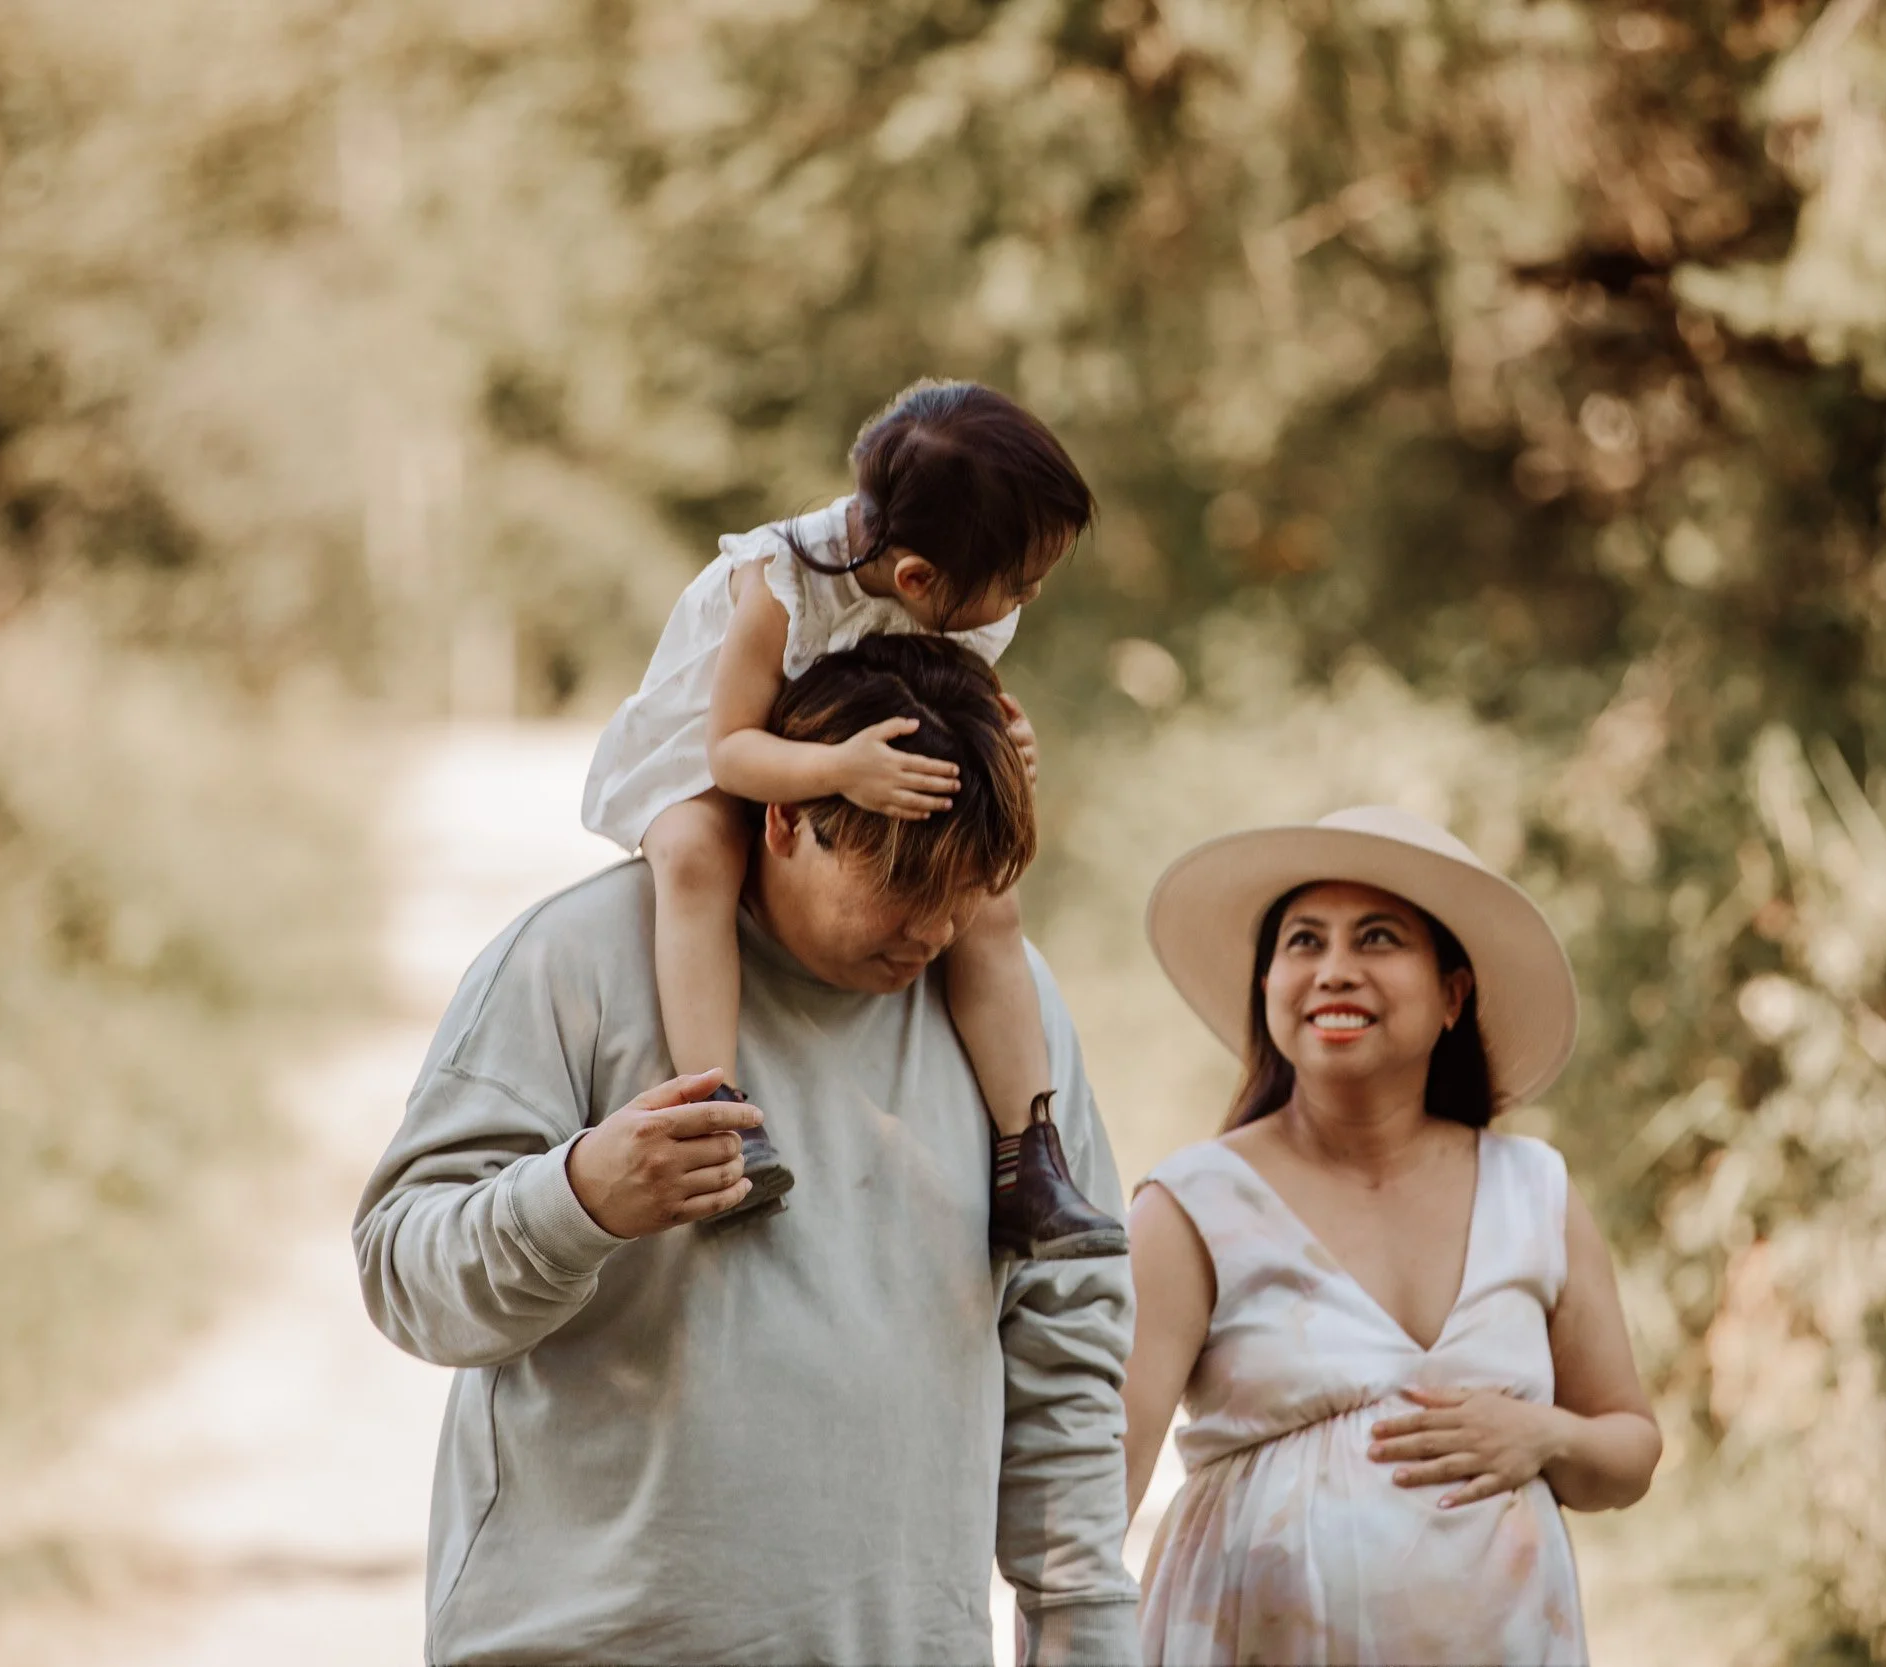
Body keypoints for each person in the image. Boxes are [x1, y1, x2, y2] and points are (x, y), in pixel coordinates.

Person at [354, 637, 1140, 1666]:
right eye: (904, 885)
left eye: (968, 889)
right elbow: (404, 1274)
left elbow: (1065, 1342)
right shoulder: (576, 958)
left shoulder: (1005, 1011)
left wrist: (1088, 1632)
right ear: (784, 817)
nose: (935, 930)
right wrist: (578, 1196)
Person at [580, 378, 1125, 1261]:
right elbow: (731, 752)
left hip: (850, 745)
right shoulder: (780, 585)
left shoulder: (958, 579)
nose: (1026, 600)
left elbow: (955, 695)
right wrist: (838, 769)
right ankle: (718, 1115)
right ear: (916, 578)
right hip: (736, 739)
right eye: (1020, 585)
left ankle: (1033, 1161)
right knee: (695, 858)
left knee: (990, 903)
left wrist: (1004, 740)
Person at [1121, 806, 1662, 1666]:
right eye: (1304, 942)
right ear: (1267, 990)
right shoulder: (1192, 1206)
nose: (1335, 970)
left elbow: (1630, 1446)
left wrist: (1546, 1436)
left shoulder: (1535, 1193)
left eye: (1376, 939)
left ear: (1453, 994)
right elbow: (1102, 1479)